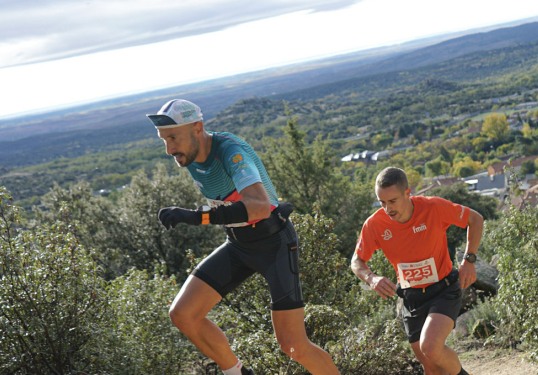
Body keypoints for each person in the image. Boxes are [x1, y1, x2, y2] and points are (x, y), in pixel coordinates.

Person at [148, 99, 339, 375]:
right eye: (163, 139)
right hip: (238, 244)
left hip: (274, 243)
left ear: (198, 128)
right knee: (183, 315)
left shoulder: (230, 152)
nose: (169, 149)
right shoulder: (188, 156)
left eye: (173, 137)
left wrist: (196, 216)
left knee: (293, 345)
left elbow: (260, 206)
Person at [351, 167, 484, 375]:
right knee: (430, 367)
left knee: (430, 348)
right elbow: (357, 261)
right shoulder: (375, 224)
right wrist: (371, 278)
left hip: (444, 290)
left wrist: (469, 260)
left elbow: (475, 219)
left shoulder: (433, 208)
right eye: (382, 202)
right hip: (411, 298)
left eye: (392, 201)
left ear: (408, 193)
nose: (387, 209)